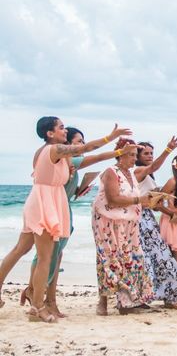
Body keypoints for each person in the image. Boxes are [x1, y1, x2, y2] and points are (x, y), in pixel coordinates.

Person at [0, 117, 130, 321]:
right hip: (46, 202)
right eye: (61, 128)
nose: (64, 131)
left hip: (43, 199)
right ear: (50, 133)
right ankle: (37, 307)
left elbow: (92, 158)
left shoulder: (51, 152)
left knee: (21, 249)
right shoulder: (55, 149)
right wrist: (110, 137)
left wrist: (118, 152)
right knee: (45, 257)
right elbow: (89, 148)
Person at [92, 138, 154, 316]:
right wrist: (139, 200)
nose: (135, 158)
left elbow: (135, 196)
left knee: (130, 258)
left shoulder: (132, 174)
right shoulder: (111, 171)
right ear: (120, 154)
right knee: (109, 259)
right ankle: (102, 301)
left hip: (129, 223)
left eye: (135, 155)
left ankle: (127, 301)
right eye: (131, 155)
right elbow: (113, 199)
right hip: (107, 222)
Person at [135, 137, 177, 310]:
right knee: (152, 259)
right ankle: (151, 296)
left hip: (148, 218)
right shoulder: (138, 170)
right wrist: (168, 149)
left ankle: (153, 296)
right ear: (137, 155)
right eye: (146, 153)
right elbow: (153, 168)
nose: (150, 156)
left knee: (156, 259)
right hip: (139, 219)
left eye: (151, 153)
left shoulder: (147, 174)